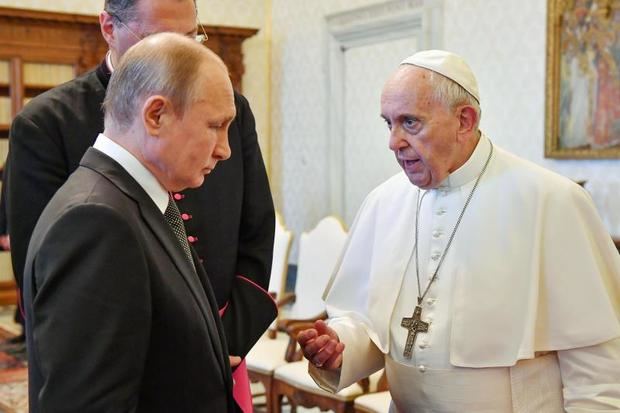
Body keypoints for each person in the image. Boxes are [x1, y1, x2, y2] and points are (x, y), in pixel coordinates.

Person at [298, 50, 620, 411]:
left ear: (465, 120)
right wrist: (340, 345)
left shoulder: (553, 201)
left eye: (410, 122)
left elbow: (598, 367)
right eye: (388, 124)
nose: (394, 142)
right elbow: (372, 326)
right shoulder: (383, 202)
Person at [5, 0, 276, 410]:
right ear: (109, 28)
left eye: (189, 39)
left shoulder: (210, 109)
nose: (222, 150)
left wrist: (217, 343)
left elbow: (255, 232)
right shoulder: (88, 207)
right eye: (214, 129)